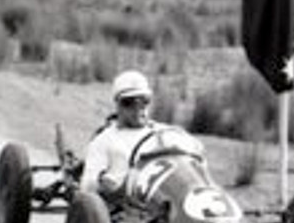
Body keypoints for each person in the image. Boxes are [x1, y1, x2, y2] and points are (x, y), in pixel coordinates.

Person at [80, 70, 204, 199]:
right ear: (117, 104)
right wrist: (105, 185)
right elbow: (88, 188)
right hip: (127, 208)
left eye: (144, 101)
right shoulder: (103, 140)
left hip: (169, 199)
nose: (138, 107)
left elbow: (196, 156)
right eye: (129, 102)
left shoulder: (165, 133)